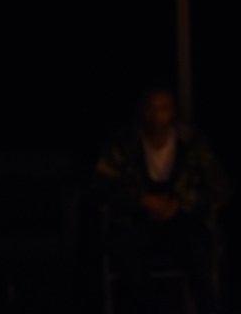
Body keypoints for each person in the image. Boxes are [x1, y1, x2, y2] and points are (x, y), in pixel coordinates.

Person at [90, 83, 232, 314]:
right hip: (136, 221)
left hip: (181, 220)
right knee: (122, 248)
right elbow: (99, 189)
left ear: (173, 111)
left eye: (163, 108)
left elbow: (220, 188)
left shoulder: (191, 143)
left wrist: (180, 202)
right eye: (150, 108)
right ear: (141, 111)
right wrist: (141, 200)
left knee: (199, 249)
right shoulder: (125, 144)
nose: (156, 115)